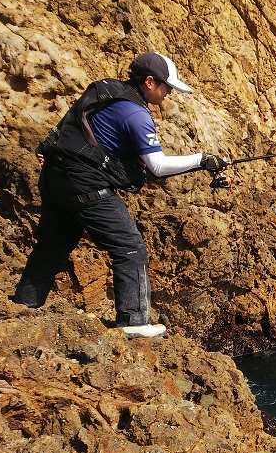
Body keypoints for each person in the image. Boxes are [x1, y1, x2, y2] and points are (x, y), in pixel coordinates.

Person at [11, 52, 226, 338]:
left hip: (55, 177)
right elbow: (158, 166)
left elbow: (79, 130)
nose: (169, 93)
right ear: (150, 82)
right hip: (85, 184)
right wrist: (201, 159)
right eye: (167, 87)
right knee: (130, 247)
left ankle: (24, 304)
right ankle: (134, 321)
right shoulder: (136, 114)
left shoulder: (108, 92)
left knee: (52, 246)